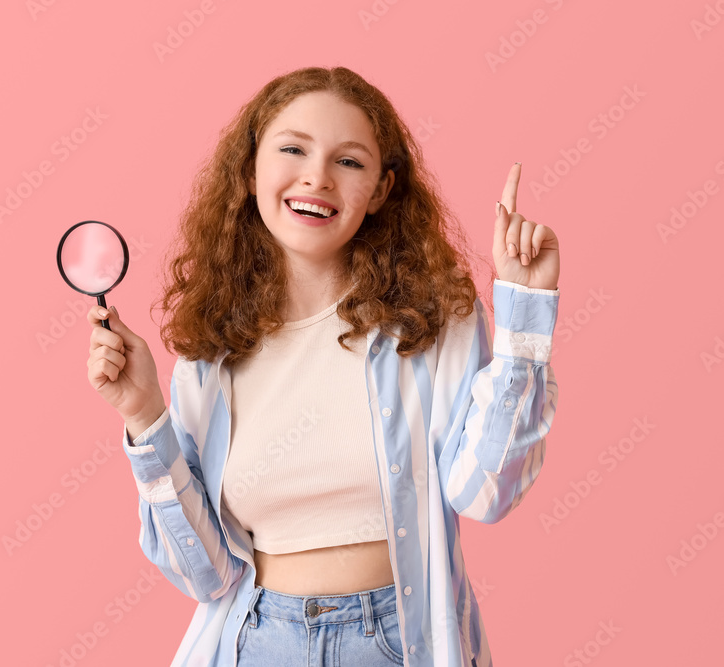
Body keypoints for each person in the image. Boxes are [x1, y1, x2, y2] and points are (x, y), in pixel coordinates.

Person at [84, 66, 561, 666]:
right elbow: (203, 574)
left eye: (350, 162)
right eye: (292, 149)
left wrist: (525, 319)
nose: (317, 177)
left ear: (382, 190)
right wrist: (144, 414)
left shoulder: (433, 321)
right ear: (251, 168)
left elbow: (484, 493)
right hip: (257, 642)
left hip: (396, 643)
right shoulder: (212, 353)